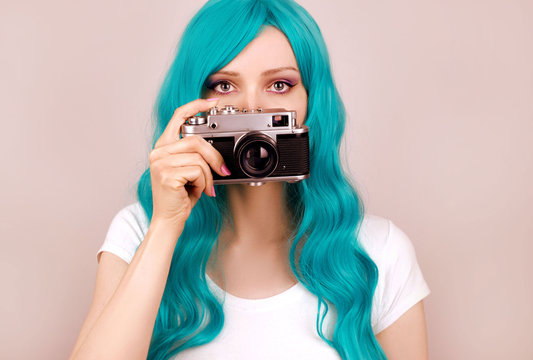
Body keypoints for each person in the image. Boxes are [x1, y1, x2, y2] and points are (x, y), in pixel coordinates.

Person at [69, 0, 431, 359]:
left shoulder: (380, 252)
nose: (252, 110)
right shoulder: (139, 232)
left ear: (312, 102)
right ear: (191, 104)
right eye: (225, 87)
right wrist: (166, 225)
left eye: (279, 85)